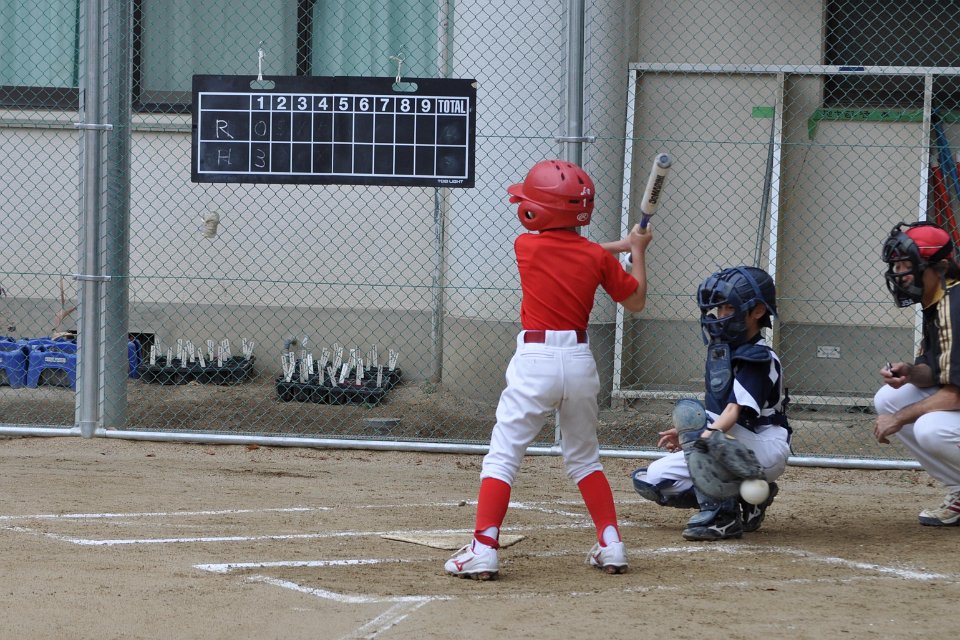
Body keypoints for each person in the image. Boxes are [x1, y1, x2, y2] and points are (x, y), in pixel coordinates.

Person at [444, 159, 652, 579]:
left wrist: (625, 245)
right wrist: (637, 251)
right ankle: (611, 543)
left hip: (535, 361)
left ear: (538, 211)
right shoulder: (596, 257)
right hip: (579, 362)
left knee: (503, 456)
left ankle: (483, 548)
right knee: (585, 459)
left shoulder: (526, 246)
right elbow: (635, 300)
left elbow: (568, 251)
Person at [631, 266, 791, 540]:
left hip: (764, 447)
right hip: (732, 442)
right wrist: (688, 435)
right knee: (653, 480)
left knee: (691, 418)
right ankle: (748, 500)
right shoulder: (722, 352)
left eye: (730, 308)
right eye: (719, 308)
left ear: (757, 311)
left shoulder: (758, 356)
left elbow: (733, 411)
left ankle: (722, 517)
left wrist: (698, 434)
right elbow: (719, 414)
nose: (721, 315)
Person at [874, 221, 960, 527]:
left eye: (907, 265)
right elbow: (937, 372)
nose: (899, 274)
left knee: (930, 428)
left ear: (940, 268)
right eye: (897, 266)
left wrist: (899, 419)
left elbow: (955, 395)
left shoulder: (956, 306)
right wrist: (910, 372)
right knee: (889, 398)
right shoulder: (937, 298)